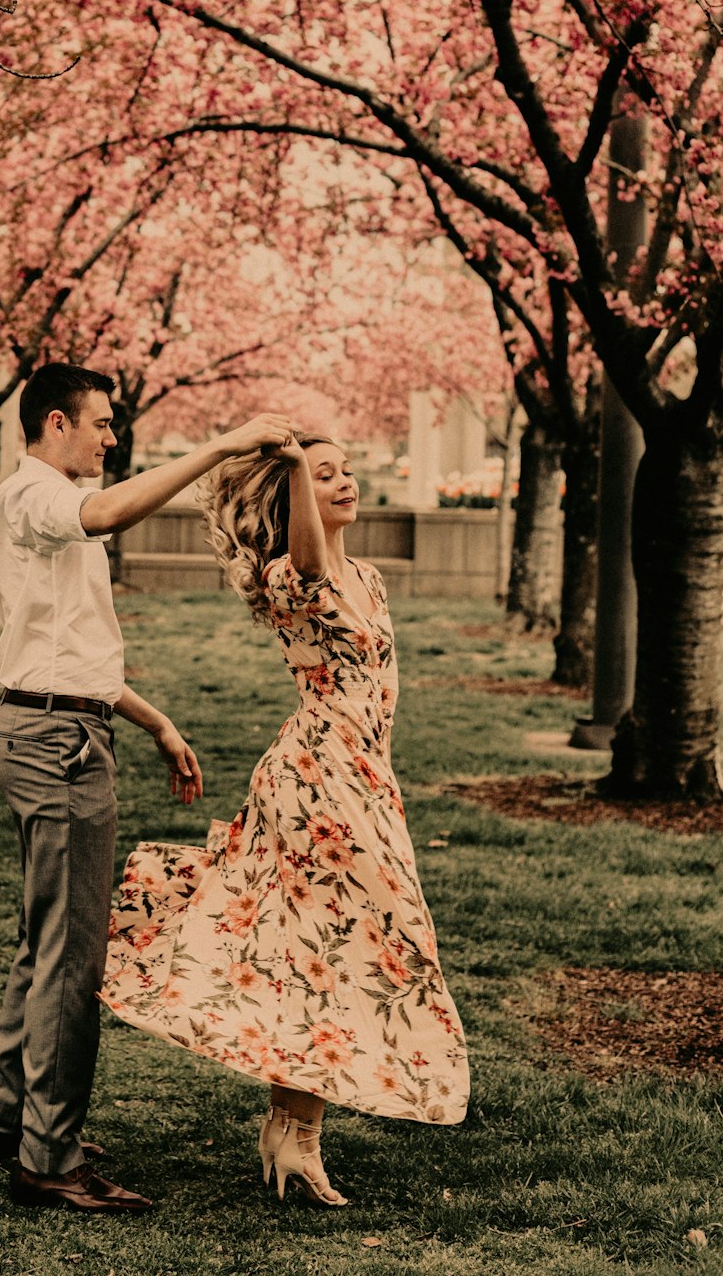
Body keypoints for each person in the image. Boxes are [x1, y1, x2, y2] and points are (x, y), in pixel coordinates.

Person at [100, 433, 470, 1206]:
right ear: (292, 493)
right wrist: (297, 463)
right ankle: (295, 1134)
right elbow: (307, 562)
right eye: (320, 473)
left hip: (362, 775)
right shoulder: (287, 576)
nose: (343, 481)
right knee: (346, 943)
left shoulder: (366, 574)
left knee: (325, 948)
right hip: (320, 783)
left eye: (343, 468)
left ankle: (292, 1130)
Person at [0, 360, 293, 1214]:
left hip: (54, 720)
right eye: (101, 423)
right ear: (53, 425)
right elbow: (110, 508)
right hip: (58, 741)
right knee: (73, 955)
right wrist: (221, 443)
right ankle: (49, 1158)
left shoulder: (39, 506)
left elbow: (67, 648)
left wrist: (155, 721)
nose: (112, 437)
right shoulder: (37, 494)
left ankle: (8, 1119)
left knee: (45, 938)